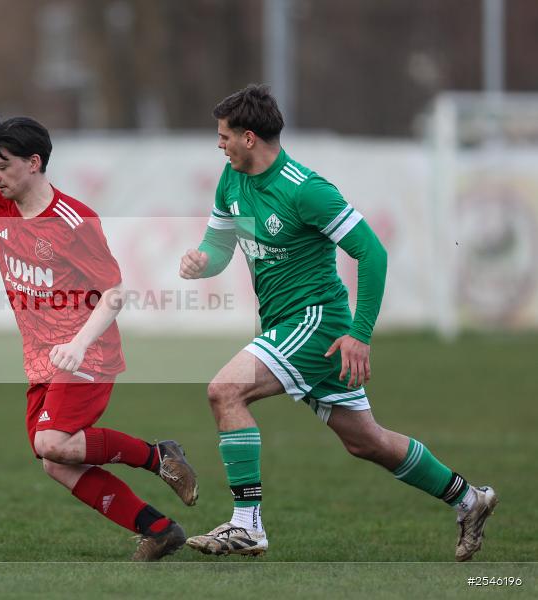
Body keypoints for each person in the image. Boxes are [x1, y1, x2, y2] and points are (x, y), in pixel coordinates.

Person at [178, 85, 497, 561]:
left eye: (224, 136)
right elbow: (219, 247)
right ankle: (469, 500)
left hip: (316, 322)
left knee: (225, 391)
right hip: (286, 326)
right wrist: (202, 261)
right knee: (366, 441)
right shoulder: (232, 179)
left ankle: (247, 525)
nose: (219, 144)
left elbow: (372, 252)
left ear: (249, 137)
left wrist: (360, 334)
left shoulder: (306, 190)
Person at [0, 106, 197, 561]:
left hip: (89, 351)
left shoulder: (72, 221)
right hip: (43, 358)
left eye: (2, 166)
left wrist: (78, 344)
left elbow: (115, 293)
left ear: (34, 163)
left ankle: (157, 457)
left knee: (52, 443)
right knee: (55, 462)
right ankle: (159, 529)